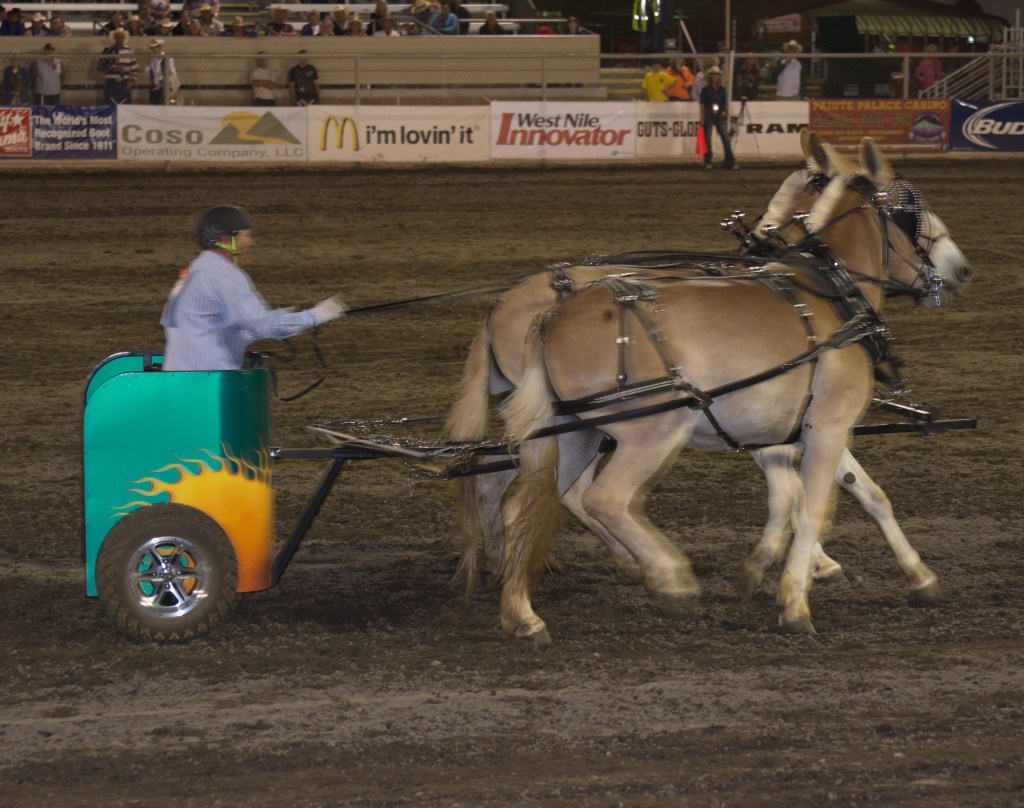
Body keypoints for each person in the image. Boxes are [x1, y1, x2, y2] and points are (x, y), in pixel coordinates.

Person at [161, 206, 346, 373]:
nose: (251, 242)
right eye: (246, 235)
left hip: (181, 378)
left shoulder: (194, 272)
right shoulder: (222, 273)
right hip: (209, 382)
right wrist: (317, 316)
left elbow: (217, 328)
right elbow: (263, 325)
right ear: (226, 239)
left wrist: (284, 318)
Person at [698, 65, 737, 170]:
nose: (715, 77)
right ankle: (707, 160)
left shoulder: (722, 90)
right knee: (708, 139)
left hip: (719, 114)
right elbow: (702, 104)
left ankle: (730, 161)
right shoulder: (706, 90)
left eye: (717, 75)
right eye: (713, 75)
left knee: (725, 137)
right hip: (708, 114)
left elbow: (725, 103)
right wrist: (702, 118)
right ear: (710, 77)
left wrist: (726, 113)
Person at [100, 29, 138, 105]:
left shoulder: (129, 51)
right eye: (117, 36)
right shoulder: (108, 51)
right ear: (114, 38)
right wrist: (112, 68)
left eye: (121, 36)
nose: (119, 38)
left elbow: (135, 68)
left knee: (125, 103)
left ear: (124, 38)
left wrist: (132, 81)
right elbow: (102, 66)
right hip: (111, 80)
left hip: (125, 80)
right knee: (110, 102)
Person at [144, 38, 176, 104]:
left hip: (165, 86)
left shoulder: (167, 58)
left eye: (155, 47)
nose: (153, 49)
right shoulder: (151, 60)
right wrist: (148, 66)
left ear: (160, 47)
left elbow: (172, 73)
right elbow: (147, 76)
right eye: (152, 48)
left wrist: (175, 89)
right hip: (154, 87)